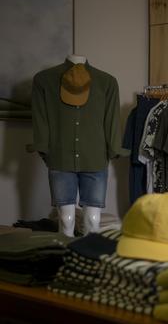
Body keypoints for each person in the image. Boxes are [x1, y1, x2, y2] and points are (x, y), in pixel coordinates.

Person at [31, 54, 126, 237]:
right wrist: (43, 148)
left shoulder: (107, 82)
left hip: (95, 160)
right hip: (60, 159)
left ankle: (87, 260)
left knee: (93, 220)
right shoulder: (44, 80)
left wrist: (114, 147)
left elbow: (112, 120)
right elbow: (40, 119)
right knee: (66, 220)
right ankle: (66, 260)